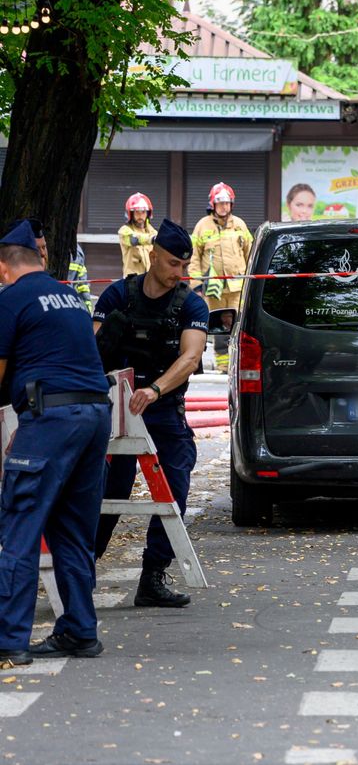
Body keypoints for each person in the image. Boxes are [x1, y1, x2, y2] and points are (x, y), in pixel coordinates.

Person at [0, 220, 113, 665]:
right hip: (94, 417)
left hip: (52, 418)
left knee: (21, 528)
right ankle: (81, 630)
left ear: (4, 265)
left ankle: (9, 639)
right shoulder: (67, 295)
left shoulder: (10, 299)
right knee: (72, 530)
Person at [93, 220, 208, 608]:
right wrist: (107, 337)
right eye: (174, 263)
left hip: (161, 410)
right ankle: (82, 567)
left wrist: (155, 388)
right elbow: (91, 352)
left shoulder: (190, 303)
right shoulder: (117, 296)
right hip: (117, 411)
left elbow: (191, 357)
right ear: (154, 255)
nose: (180, 273)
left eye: (185, 266)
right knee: (109, 490)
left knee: (175, 489)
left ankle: (153, 576)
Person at [189, 182, 251, 374]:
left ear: (231, 204)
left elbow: (250, 254)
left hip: (237, 287)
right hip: (214, 288)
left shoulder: (240, 225)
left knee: (237, 325)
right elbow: (194, 257)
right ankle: (223, 365)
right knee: (218, 327)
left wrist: (252, 282)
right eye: (220, 203)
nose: (224, 206)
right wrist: (196, 285)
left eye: (227, 203)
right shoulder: (202, 226)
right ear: (213, 205)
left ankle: (236, 363)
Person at [119, 193, 156, 276]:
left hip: (149, 280)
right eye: (137, 212)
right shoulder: (124, 231)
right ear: (131, 214)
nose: (140, 215)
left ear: (148, 213)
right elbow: (134, 239)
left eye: (143, 212)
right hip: (132, 281)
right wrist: (152, 239)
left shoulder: (153, 232)